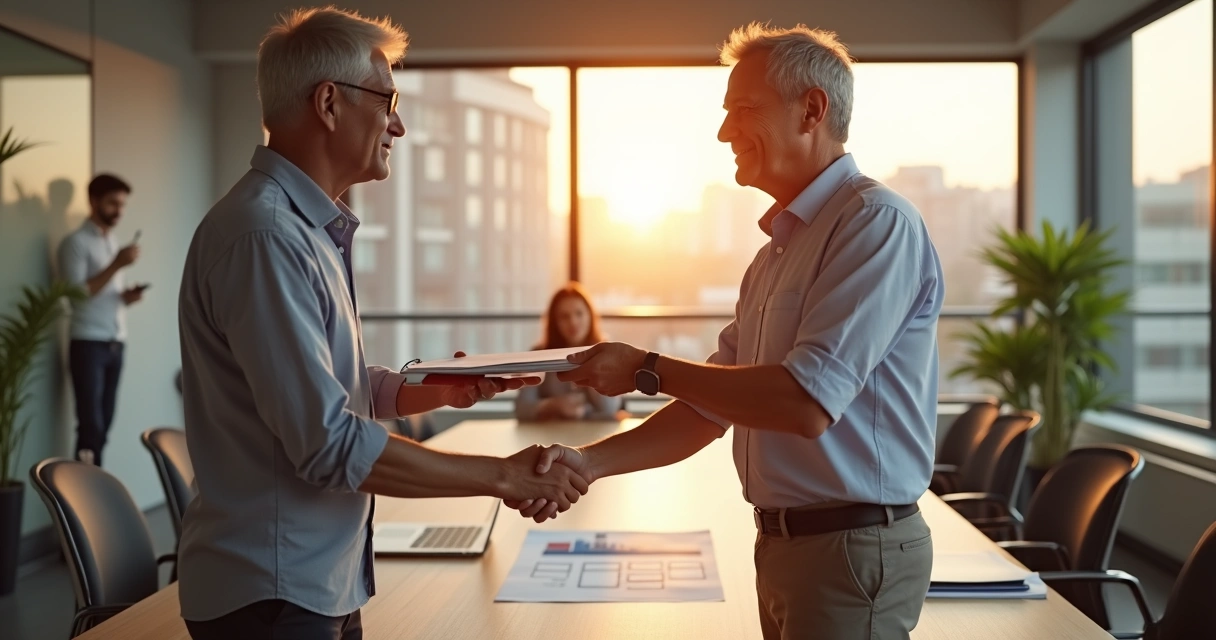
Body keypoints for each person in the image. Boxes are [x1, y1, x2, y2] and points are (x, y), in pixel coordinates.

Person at [511, 23, 944, 640]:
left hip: (850, 548)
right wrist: (587, 462)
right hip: (787, 545)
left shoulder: (874, 225)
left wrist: (646, 367)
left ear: (811, 110)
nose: (723, 132)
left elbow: (805, 402)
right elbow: (707, 406)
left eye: (743, 110)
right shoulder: (773, 257)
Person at [176, 9, 586, 640]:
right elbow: (328, 441)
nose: (398, 123)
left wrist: (431, 387)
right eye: (387, 100)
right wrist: (500, 476)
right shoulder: (266, 237)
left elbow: (324, 388)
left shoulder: (306, 229)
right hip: (273, 597)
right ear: (330, 104)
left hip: (313, 583)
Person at [57, 173, 147, 466]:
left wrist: (126, 297)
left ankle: (92, 489)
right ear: (93, 201)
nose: (119, 211)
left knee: (103, 426)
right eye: (112, 203)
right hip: (88, 343)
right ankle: (79, 500)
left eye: (122, 205)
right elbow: (76, 295)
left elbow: (103, 290)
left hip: (114, 343)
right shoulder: (75, 243)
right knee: (90, 426)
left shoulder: (111, 242)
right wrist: (117, 264)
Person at [515, 283, 624, 421]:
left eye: (579, 313)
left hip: (594, 437)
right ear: (555, 322)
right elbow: (521, 409)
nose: (573, 322)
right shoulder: (538, 355)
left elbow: (610, 408)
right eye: (564, 316)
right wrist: (554, 405)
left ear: (590, 316)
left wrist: (591, 364)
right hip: (551, 437)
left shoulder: (605, 352)